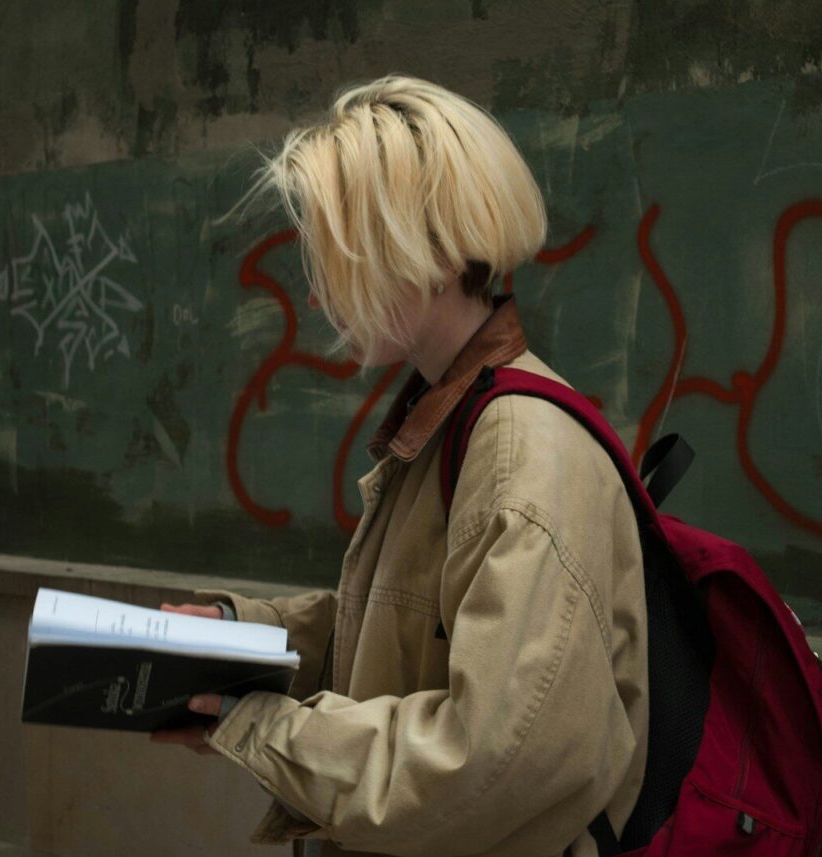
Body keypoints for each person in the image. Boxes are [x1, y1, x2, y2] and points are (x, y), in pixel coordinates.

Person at [154, 74, 648, 857]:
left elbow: (487, 759)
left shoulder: (523, 451)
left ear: (427, 252)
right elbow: (406, 625)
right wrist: (232, 635)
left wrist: (260, 725)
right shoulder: (457, 416)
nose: (316, 298)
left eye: (337, 258)